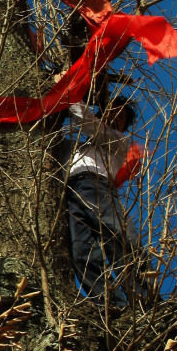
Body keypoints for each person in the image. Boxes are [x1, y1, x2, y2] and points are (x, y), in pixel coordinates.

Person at [66, 94, 139, 300]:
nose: (115, 116)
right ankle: (111, 307)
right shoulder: (75, 147)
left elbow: (87, 122)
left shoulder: (118, 141)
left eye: (121, 116)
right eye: (112, 111)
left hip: (97, 185)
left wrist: (69, 93)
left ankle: (144, 298)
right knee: (82, 254)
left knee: (121, 240)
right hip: (71, 192)